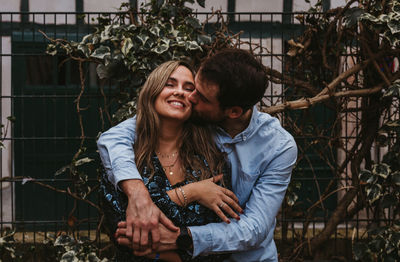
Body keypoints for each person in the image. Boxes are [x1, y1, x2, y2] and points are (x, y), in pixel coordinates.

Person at [98, 49, 298, 262]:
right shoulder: (187, 117)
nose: (189, 96)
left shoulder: (278, 146)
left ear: (233, 112)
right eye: (173, 84)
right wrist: (139, 193)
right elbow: (113, 138)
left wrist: (179, 239)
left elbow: (254, 229)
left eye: (197, 93)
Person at [99, 60, 242, 261]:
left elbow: (223, 237)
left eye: (189, 88)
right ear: (153, 91)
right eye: (170, 84)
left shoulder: (212, 159)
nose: (180, 92)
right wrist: (192, 192)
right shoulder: (124, 157)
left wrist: (159, 252)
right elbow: (123, 233)